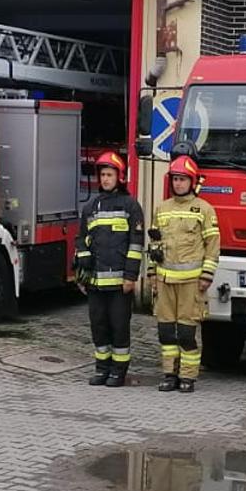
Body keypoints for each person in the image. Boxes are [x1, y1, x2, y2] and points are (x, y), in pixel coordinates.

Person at [150, 156, 219, 393]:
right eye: (176, 179)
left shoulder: (204, 209)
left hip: (191, 284)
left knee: (188, 332)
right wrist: (152, 275)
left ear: (192, 182)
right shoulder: (162, 208)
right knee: (167, 332)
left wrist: (207, 276)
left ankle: (188, 376)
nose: (178, 184)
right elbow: (155, 244)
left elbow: (212, 245)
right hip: (165, 281)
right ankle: (170, 373)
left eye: (183, 179)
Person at [76, 151, 144, 388]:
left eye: (109, 174)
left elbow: (136, 244)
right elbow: (82, 239)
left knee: (119, 327)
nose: (105, 179)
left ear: (120, 176)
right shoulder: (91, 207)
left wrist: (130, 276)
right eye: (102, 175)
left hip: (119, 284)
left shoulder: (130, 206)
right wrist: (81, 269)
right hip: (95, 283)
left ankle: (118, 372)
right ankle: (101, 369)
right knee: (98, 326)